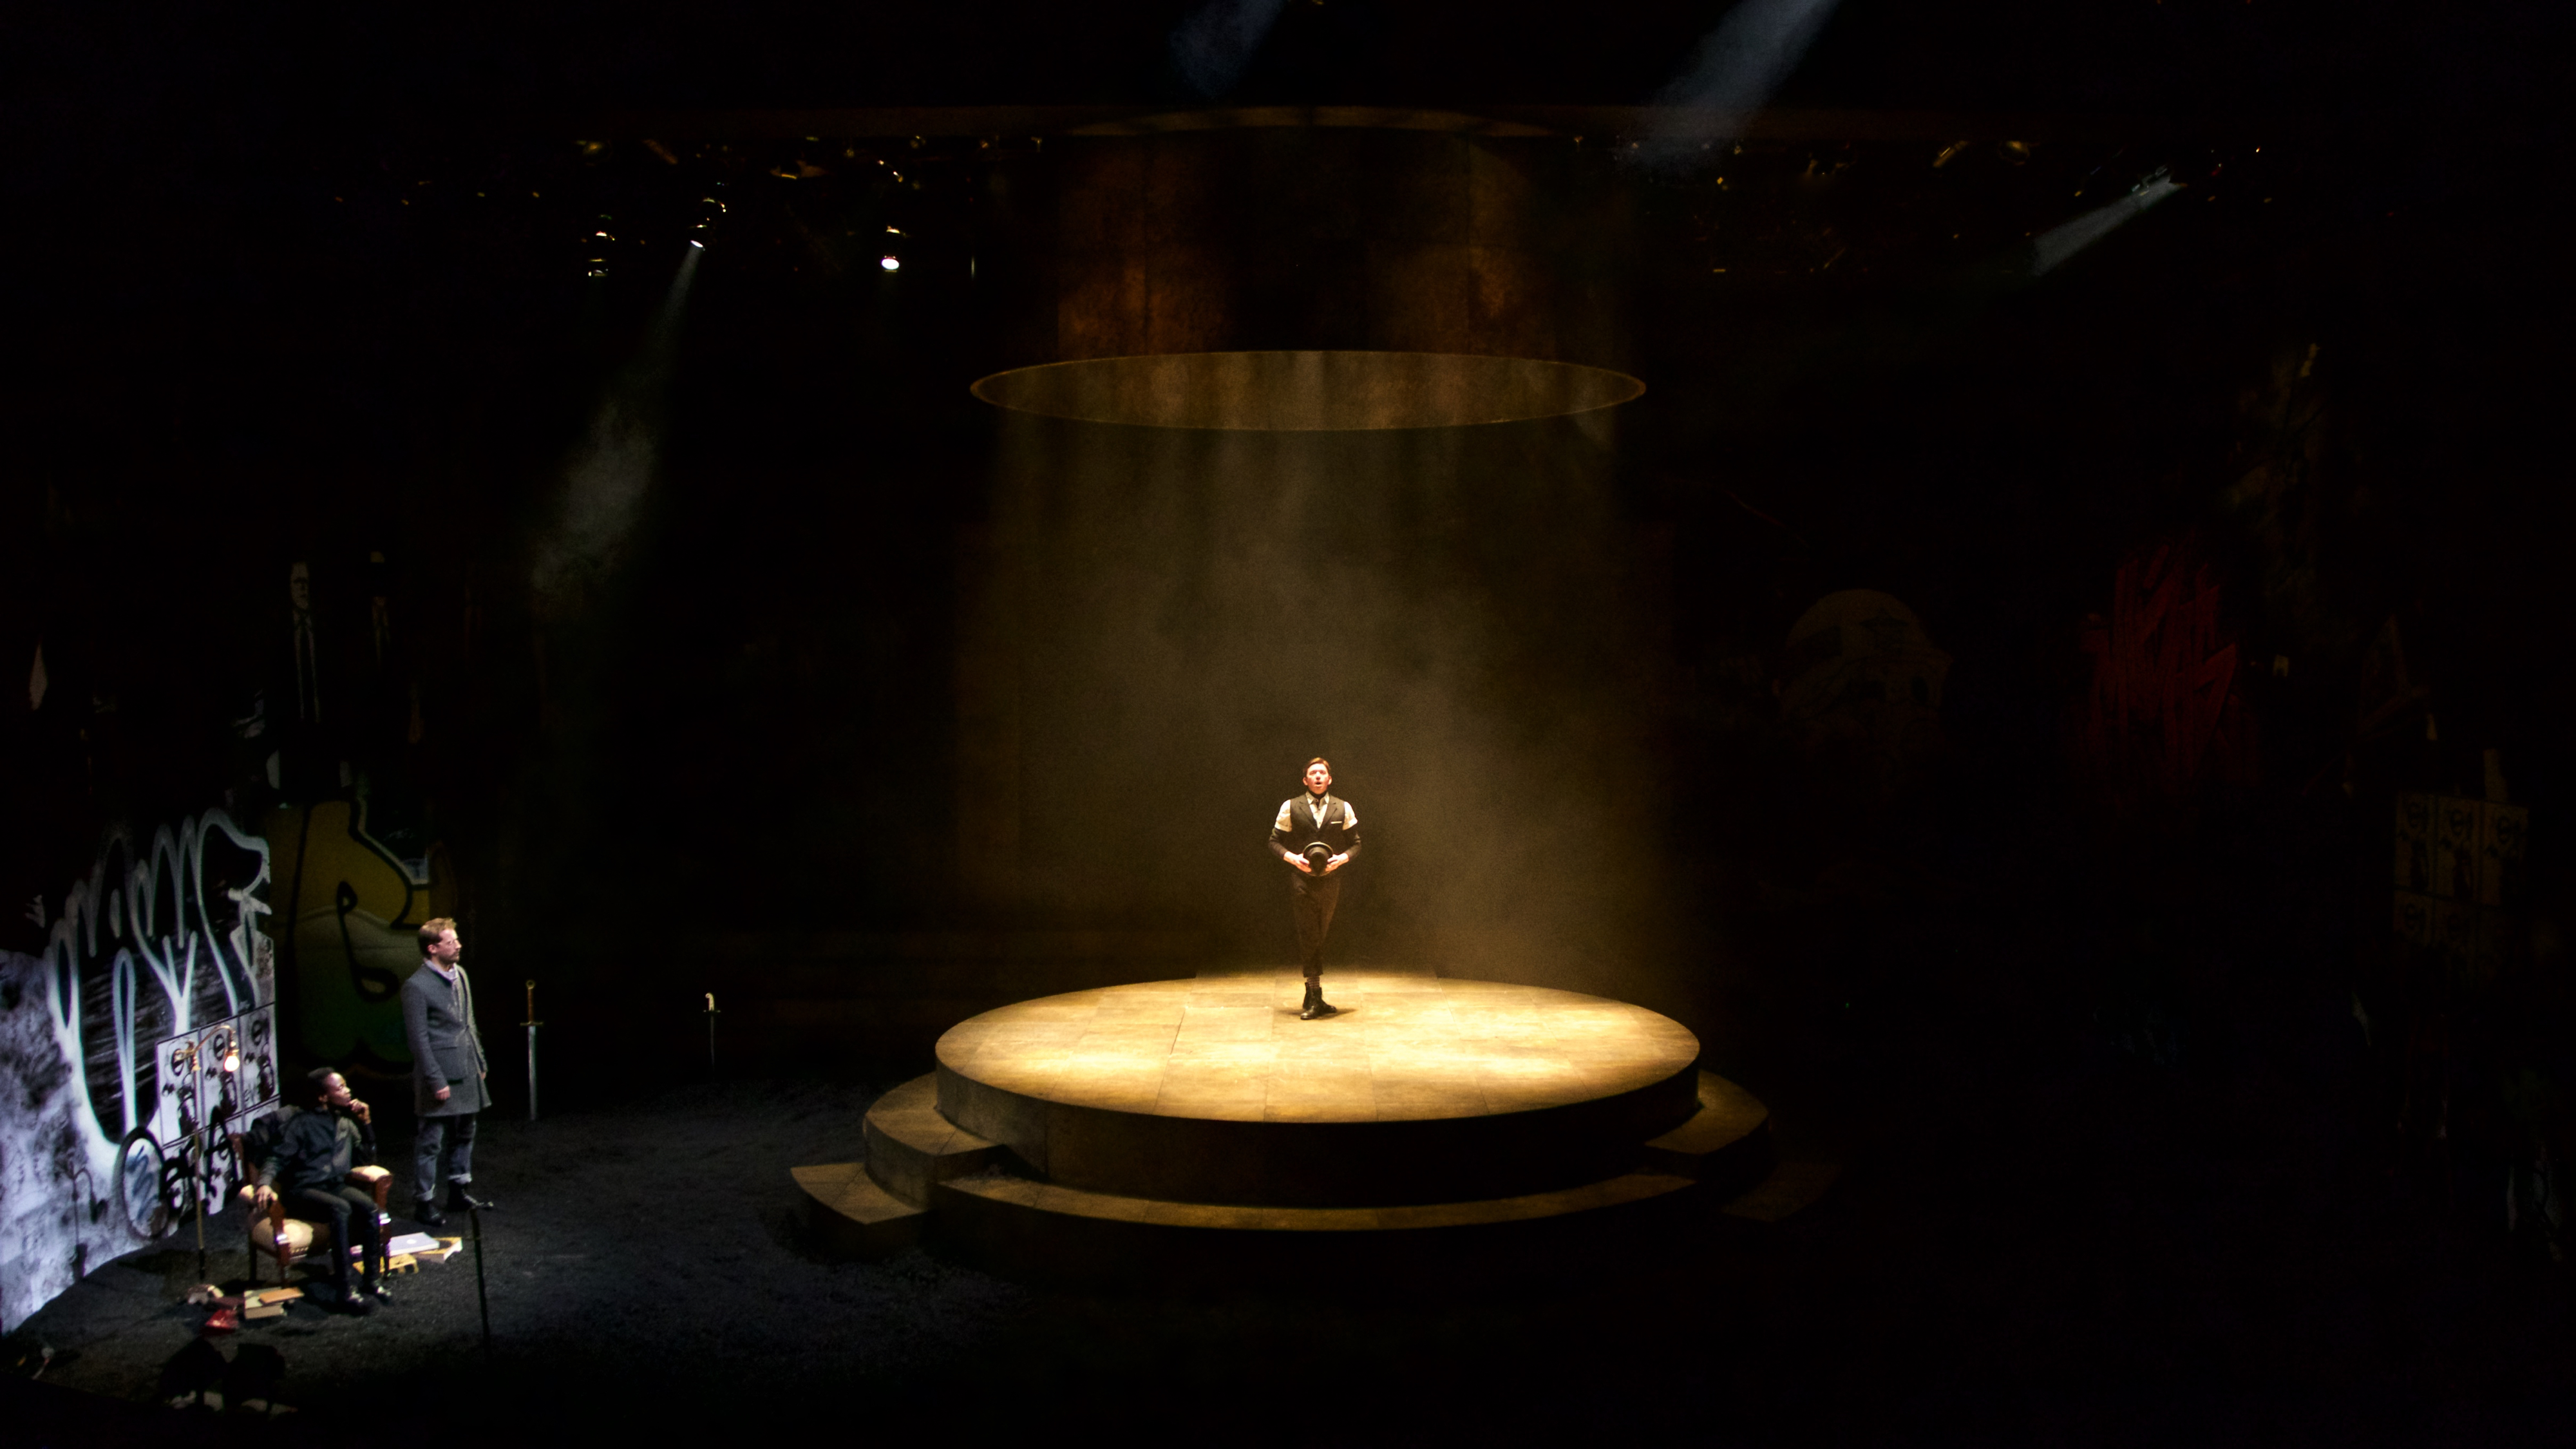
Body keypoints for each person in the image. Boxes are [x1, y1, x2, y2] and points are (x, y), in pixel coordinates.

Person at [249, 1068, 389, 1312]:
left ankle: (371, 1281)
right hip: (302, 1191)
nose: (348, 1091)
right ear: (323, 1097)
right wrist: (264, 1183)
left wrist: (366, 1123)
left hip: (333, 1187)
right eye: (340, 1088)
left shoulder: (345, 1124)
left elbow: (366, 1159)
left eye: (346, 1086)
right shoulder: (300, 1124)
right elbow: (276, 1158)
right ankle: (345, 1291)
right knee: (341, 1207)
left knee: (369, 1208)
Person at [401, 916, 493, 1226]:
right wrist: (435, 1079)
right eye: (451, 942)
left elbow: (469, 1021)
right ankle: (424, 1201)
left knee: (466, 1131)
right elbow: (418, 1040)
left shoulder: (460, 974)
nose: (458, 945)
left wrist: (479, 1060)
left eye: (457, 940)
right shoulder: (416, 986)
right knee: (431, 1140)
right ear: (432, 948)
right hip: (440, 1073)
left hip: (466, 1066)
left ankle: (458, 1190)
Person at [1267, 757, 1361, 1019]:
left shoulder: (1343, 807)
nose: (1318, 776)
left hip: (1330, 880)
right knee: (1309, 935)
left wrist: (1342, 859)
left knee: (1320, 935)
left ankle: (1311, 994)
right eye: (1313, 773)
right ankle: (1315, 995)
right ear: (1305, 780)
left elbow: (1356, 843)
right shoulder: (1291, 807)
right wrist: (1292, 857)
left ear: (1329, 779)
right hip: (1303, 881)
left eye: (1322, 773)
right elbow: (1274, 841)